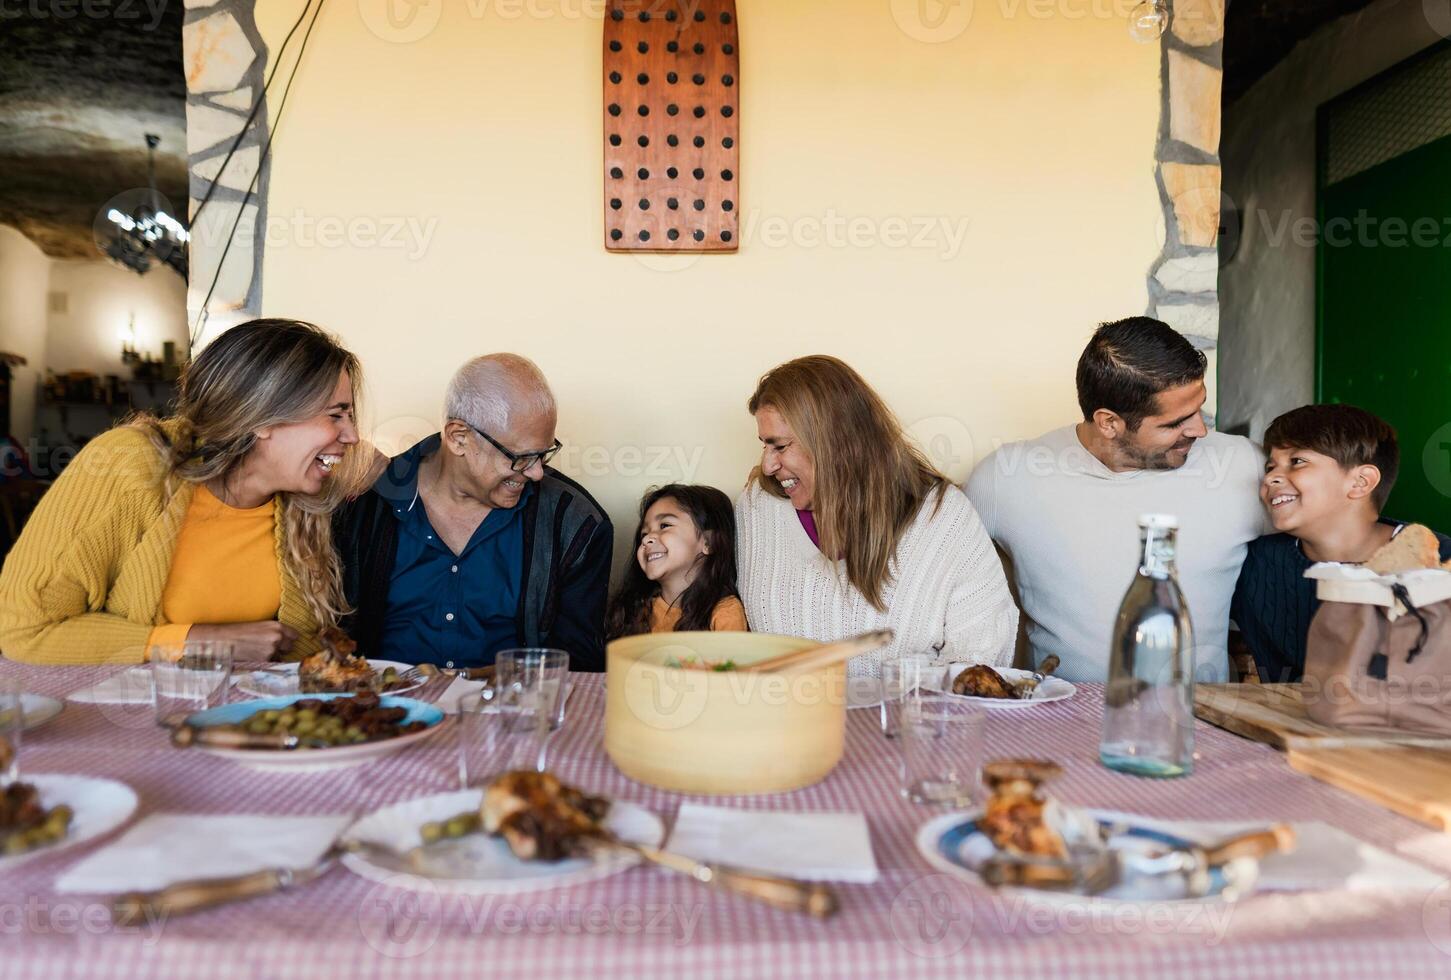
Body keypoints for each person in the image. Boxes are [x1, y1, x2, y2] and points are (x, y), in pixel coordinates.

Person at [0, 319, 367, 664]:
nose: (351, 436)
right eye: (335, 415)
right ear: (262, 418)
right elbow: (25, 630)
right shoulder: (130, 463)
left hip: (236, 722)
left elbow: (295, 652)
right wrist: (196, 641)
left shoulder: (302, 504)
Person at [965, 317, 1264, 683]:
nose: (1201, 430)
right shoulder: (1006, 478)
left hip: (1204, 726)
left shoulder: (1245, 466)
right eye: (1175, 423)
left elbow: (1335, 538)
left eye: (1199, 408)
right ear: (1108, 422)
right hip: (1059, 725)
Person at [736, 356, 1017, 677]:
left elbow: (981, 655)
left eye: (780, 446)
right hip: (789, 721)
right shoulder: (758, 508)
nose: (768, 465)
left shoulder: (941, 515)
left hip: (907, 722)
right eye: (765, 446)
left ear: (835, 442)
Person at [333, 354, 612, 672]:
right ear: (458, 438)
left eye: (543, 455)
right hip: (379, 713)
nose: (535, 473)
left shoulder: (575, 523)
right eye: (520, 457)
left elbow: (577, 664)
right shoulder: (363, 503)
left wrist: (463, 682)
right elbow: (325, 636)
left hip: (511, 715)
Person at [1232, 404, 1451, 682]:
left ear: (1361, 482)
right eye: (1270, 465)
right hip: (1285, 723)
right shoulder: (1252, 564)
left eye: (1297, 461)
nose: (1271, 477)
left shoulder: (1440, 562)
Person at [606, 484, 747, 639]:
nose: (646, 539)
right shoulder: (635, 612)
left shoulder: (725, 612)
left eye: (664, 525)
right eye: (644, 533)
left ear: (708, 542)